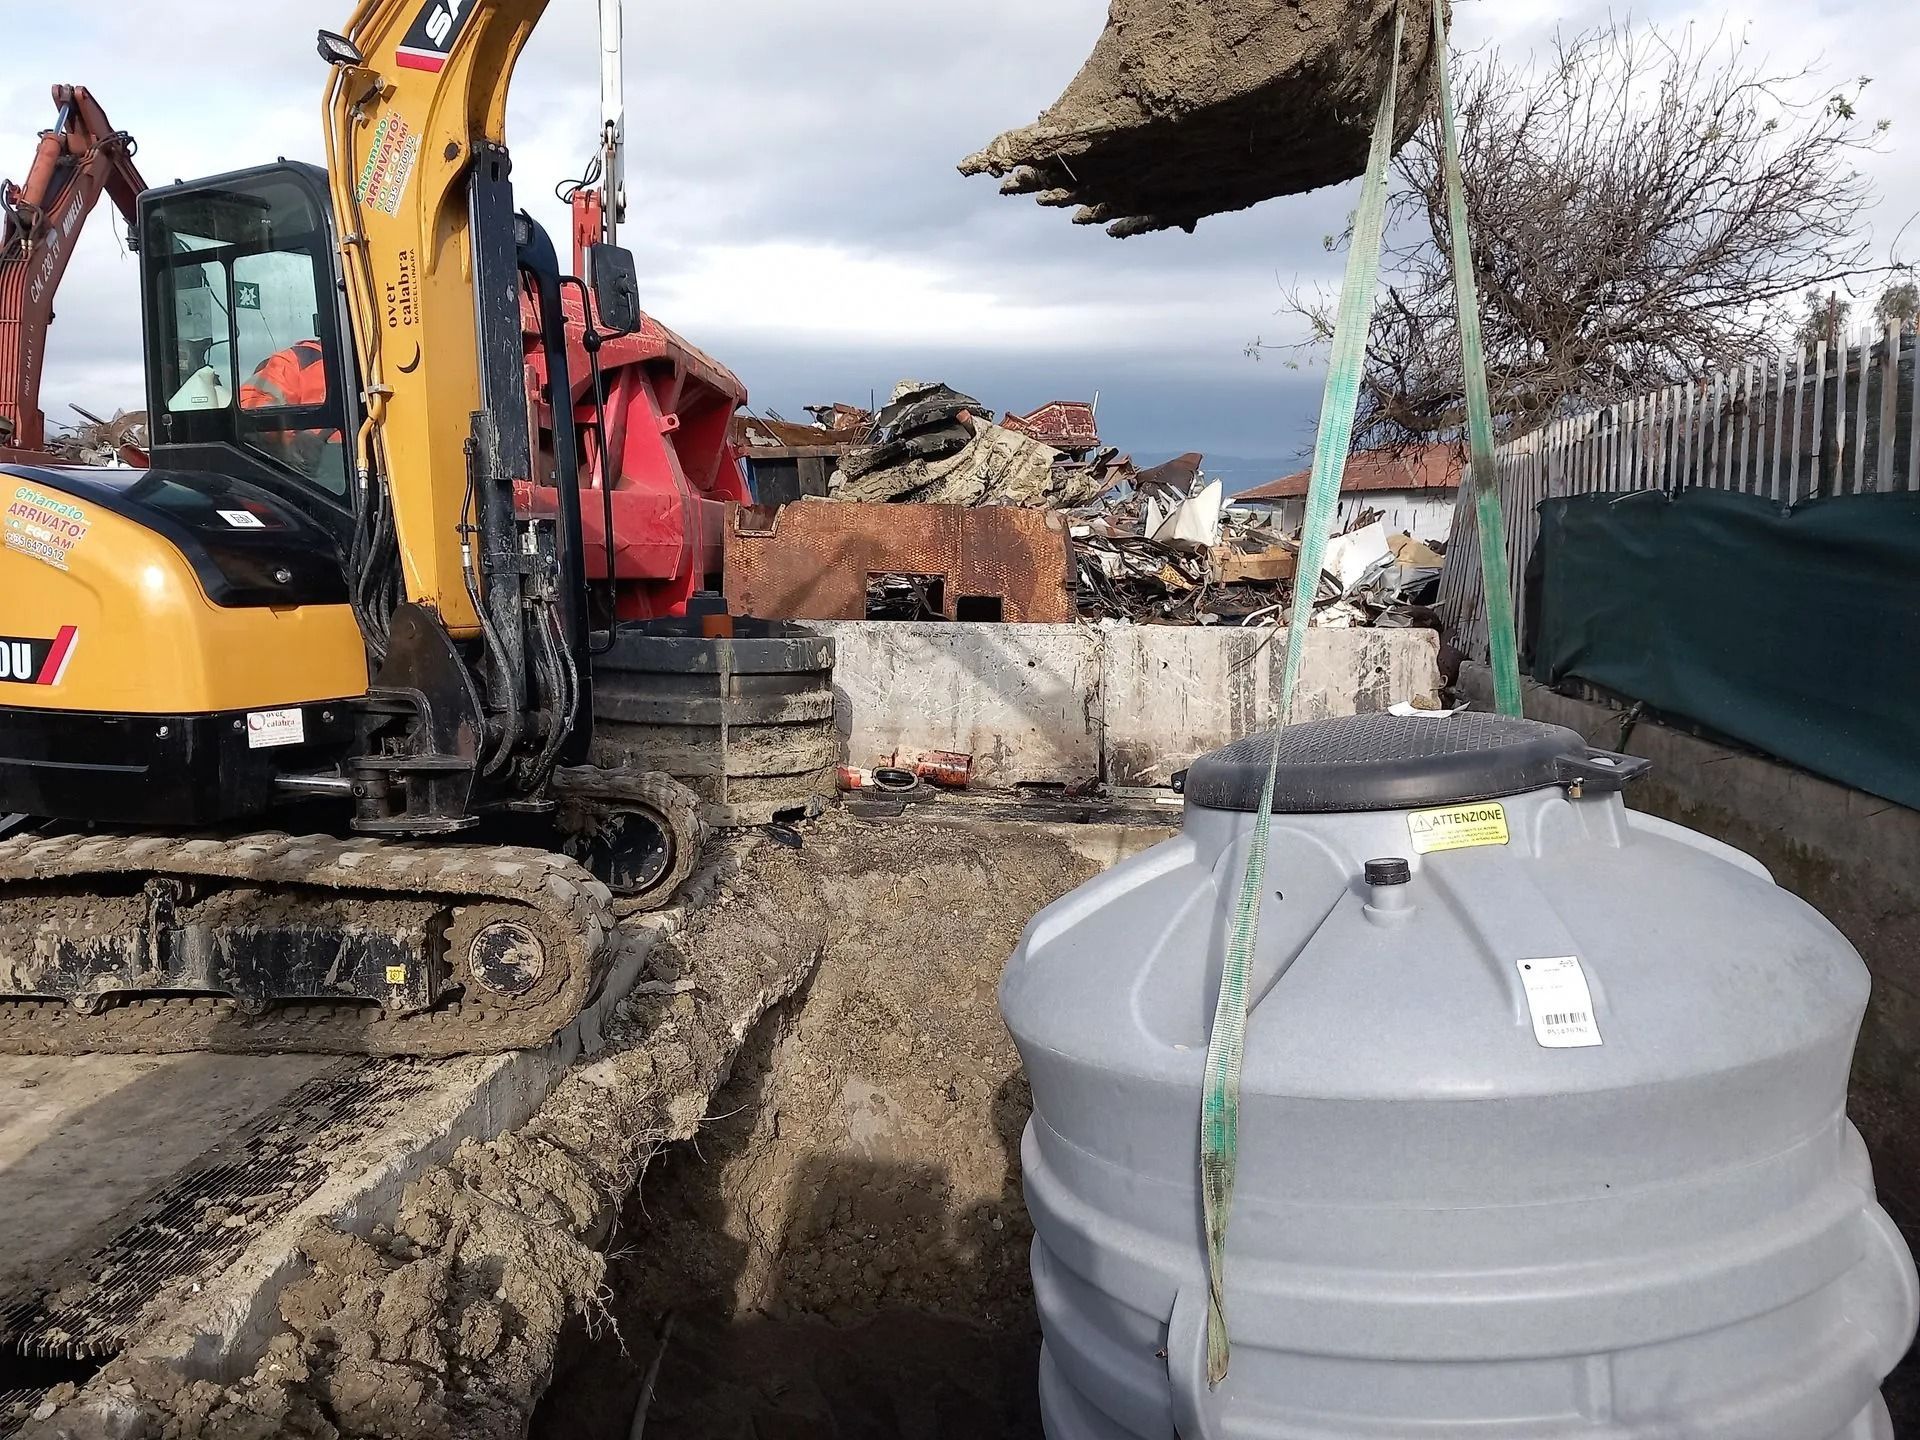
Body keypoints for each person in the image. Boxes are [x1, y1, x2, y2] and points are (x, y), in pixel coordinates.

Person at [239, 340, 338, 477]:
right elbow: (249, 409)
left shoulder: (374, 369)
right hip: (316, 484)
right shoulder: (298, 360)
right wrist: (296, 437)